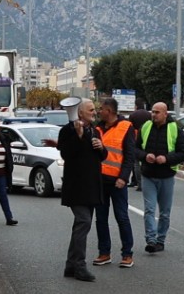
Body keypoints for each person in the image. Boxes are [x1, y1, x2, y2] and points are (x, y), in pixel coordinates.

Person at [57, 98, 106, 280]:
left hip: (92, 186)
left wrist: (102, 148)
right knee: (84, 222)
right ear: (80, 113)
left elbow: (101, 157)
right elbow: (66, 153)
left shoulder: (94, 130)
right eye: (91, 110)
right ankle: (79, 266)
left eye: (95, 109)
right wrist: (77, 136)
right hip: (76, 187)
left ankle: (70, 266)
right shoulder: (67, 130)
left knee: (80, 226)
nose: (95, 112)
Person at [133, 102, 184, 253]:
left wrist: (167, 159)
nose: (154, 115)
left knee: (164, 212)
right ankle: (151, 239)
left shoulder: (174, 129)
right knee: (149, 209)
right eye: (153, 112)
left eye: (157, 112)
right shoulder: (145, 127)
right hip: (148, 174)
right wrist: (145, 156)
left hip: (166, 176)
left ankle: (160, 240)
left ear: (165, 114)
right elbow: (135, 149)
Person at [92, 99, 136, 268]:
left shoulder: (126, 127)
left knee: (122, 217)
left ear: (109, 111)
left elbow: (129, 155)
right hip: (100, 181)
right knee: (101, 219)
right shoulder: (97, 128)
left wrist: (123, 178)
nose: (98, 112)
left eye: (101, 109)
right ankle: (104, 253)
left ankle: (127, 254)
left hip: (117, 182)